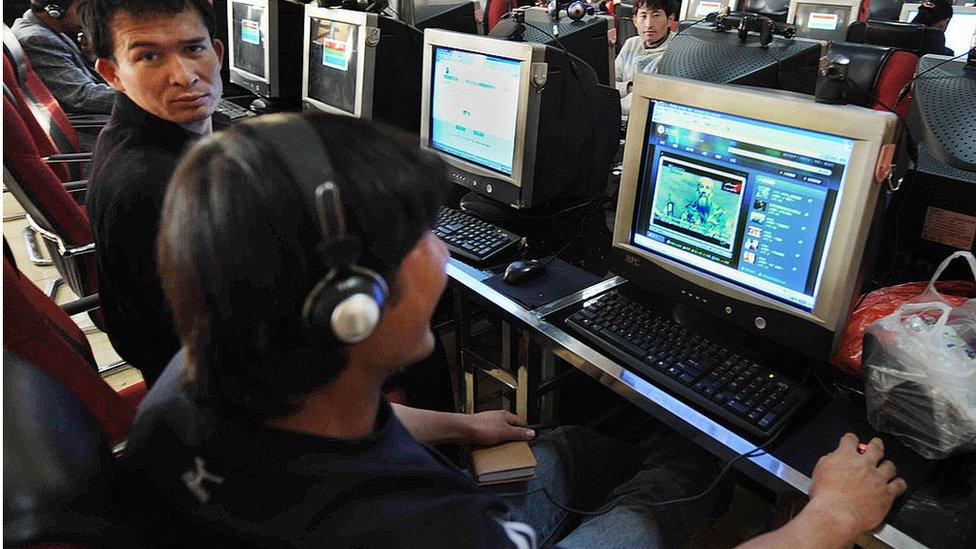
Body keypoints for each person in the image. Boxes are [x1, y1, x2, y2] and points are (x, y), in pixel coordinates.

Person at [124, 111, 908, 547]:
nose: (441, 247)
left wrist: (464, 422)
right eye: (424, 234)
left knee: (566, 448)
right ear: (351, 304)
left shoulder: (193, 382)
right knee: (660, 492)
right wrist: (826, 518)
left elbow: (321, 421)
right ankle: (682, 484)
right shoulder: (408, 530)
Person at [74, 0, 224, 386]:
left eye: (194, 48)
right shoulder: (153, 186)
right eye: (149, 57)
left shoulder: (136, 135)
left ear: (217, 52)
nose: (184, 76)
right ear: (112, 75)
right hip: (213, 398)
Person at [11, 0, 117, 115]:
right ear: (55, 10)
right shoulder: (37, 39)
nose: (91, 14)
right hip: (87, 124)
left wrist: (92, 55)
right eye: (84, 6)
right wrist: (134, 95)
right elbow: (81, 95)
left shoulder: (48, 29)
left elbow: (85, 78)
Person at [615, 0, 677, 117]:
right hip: (617, 117)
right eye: (643, 16)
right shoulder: (631, 43)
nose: (648, 24)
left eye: (656, 15)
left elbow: (645, 102)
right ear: (634, 20)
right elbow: (609, 83)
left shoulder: (675, 52)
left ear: (670, 20)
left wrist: (607, 106)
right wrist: (629, 88)